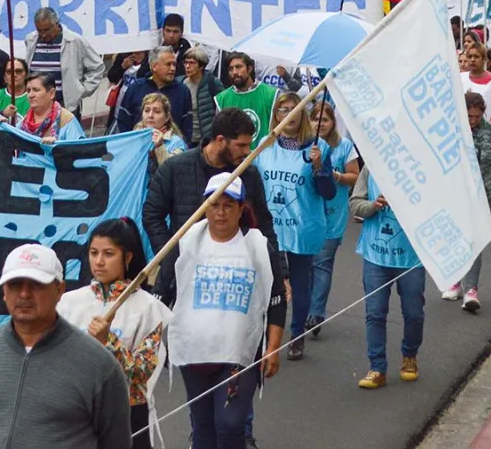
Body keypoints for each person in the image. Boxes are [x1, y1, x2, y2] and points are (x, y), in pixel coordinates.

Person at [156, 174, 286, 449]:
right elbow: (162, 293)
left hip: (238, 355)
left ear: (241, 209)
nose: (221, 212)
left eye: (229, 205)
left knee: (230, 425)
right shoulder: (184, 242)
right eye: (215, 204)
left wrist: (273, 347)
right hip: (194, 355)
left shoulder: (258, 247)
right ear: (205, 206)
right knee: (203, 426)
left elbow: (276, 300)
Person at [0, 243, 132, 449]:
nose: (24, 294)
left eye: (36, 284)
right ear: (4, 291)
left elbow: (116, 441)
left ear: (59, 290)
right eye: (15, 284)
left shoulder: (99, 364)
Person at [58, 219, 171, 449]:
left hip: (127, 414)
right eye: (94, 252)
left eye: (108, 254)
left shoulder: (148, 308)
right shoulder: (69, 303)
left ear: (127, 258)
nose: (99, 261)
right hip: (77, 413)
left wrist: (108, 341)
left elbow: (142, 373)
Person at [255, 92, 334, 361]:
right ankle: (266, 335)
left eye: (294, 109)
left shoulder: (317, 147)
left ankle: (297, 334)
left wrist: (319, 167)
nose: (288, 114)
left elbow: (329, 192)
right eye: (282, 109)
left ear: (302, 115)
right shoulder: (264, 147)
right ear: (275, 115)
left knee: (301, 284)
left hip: (302, 227)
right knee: (267, 284)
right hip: (271, 229)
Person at [441, 93, 491, 312]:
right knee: (457, 239)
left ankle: (471, 289)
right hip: (455, 194)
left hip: (482, 196)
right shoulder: (451, 129)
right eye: (469, 116)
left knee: (474, 241)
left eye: (477, 116)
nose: (473, 120)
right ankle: (456, 280)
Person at [350, 168, 425, 390]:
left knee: (414, 313)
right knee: (375, 313)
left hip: (410, 258)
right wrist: (373, 205)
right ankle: (377, 367)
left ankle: (410, 355)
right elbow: (355, 204)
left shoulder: (421, 168)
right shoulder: (371, 166)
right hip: (375, 256)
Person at [307, 101, 359, 336]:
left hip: (333, 214)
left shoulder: (344, 146)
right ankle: (305, 307)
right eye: (315, 119)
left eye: (324, 119)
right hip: (308, 214)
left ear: (333, 122)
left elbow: (354, 176)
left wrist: (335, 175)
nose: (320, 124)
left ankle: (316, 313)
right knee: (307, 265)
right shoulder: (305, 145)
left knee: (322, 264)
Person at [24, 7, 104, 118]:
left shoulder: (75, 41)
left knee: (66, 135)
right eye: (39, 30)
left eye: (46, 30)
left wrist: (81, 90)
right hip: (37, 105)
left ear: (56, 24)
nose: (42, 35)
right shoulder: (31, 40)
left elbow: (97, 67)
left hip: (65, 105)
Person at [115, 46, 193, 142]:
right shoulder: (136, 88)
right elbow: (124, 121)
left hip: (171, 152)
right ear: (154, 66)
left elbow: (187, 126)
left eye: (174, 64)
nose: (173, 68)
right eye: (168, 64)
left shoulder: (183, 91)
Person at [215, 53, 280, 149]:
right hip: (235, 160)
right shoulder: (222, 98)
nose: (234, 72)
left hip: (265, 155)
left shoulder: (271, 94)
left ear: (250, 69)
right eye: (231, 69)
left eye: (238, 67)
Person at [18, 72, 85, 142]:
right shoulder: (24, 121)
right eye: (28, 91)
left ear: (51, 93)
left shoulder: (66, 120)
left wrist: (56, 146)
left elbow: (78, 149)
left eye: (36, 90)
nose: (30, 95)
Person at [179, 46, 224, 145]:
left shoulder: (212, 82)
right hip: (184, 138)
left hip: (206, 139)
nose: (187, 66)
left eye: (192, 63)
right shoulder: (180, 82)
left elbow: (223, 109)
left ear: (201, 66)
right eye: (185, 62)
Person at [134, 93, 187, 176]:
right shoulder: (134, 138)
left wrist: (159, 147)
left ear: (167, 117)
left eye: (157, 111)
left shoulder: (176, 143)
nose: (150, 115)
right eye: (147, 110)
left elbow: (172, 172)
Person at [462, 44, 491, 127]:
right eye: (470, 56)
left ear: (484, 59)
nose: (472, 60)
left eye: (476, 57)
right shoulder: (460, 78)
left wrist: (489, 127)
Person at [106, 50, 150, 131]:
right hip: (120, 104)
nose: (135, 55)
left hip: (137, 106)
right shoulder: (124, 57)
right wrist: (122, 67)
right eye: (134, 52)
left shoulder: (149, 62)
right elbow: (111, 76)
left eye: (139, 53)